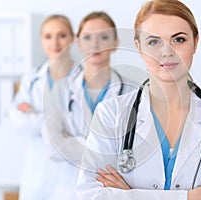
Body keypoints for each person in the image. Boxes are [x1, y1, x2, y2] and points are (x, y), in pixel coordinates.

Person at [76, 0, 201, 199]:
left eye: (179, 40)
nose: (166, 51)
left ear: (195, 42)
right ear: (139, 48)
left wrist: (130, 195)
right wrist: (190, 197)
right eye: (153, 42)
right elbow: (91, 194)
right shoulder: (111, 115)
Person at [42, 11, 135, 200]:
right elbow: (53, 145)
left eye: (104, 37)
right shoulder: (59, 90)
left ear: (115, 43)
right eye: (87, 37)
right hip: (67, 189)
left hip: (113, 191)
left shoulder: (132, 93)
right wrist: (105, 147)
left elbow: (133, 149)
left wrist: (73, 140)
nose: (95, 44)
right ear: (77, 41)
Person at [10, 14, 74, 200]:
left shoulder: (84, 79)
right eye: (48, 36)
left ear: (73, 38)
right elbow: (19, 123)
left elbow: (79, 124)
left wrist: (35, 113)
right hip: (36, 169)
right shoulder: (31, 79)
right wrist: (57, 119)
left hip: (70, 170)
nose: (55, 42)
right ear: (41, 41)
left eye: (62, 35)